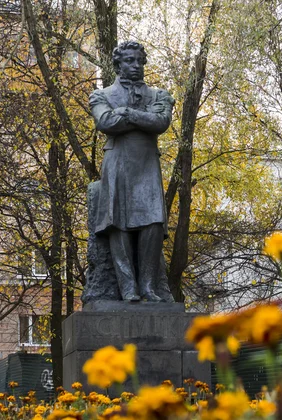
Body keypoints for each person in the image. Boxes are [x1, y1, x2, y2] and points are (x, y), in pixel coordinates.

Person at [89, 41, 175, 302]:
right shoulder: (101, 95)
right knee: (119, 223)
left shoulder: (159, 95)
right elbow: (105, 122)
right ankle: (128, 288)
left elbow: (161, 122)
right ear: (118, 64)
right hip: (117, 163)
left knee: (153, 222)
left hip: (147, 163)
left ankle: (148, 286)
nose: (135, 65)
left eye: (139, 60)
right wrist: (140, 117)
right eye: (129, 60)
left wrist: (125, 114)